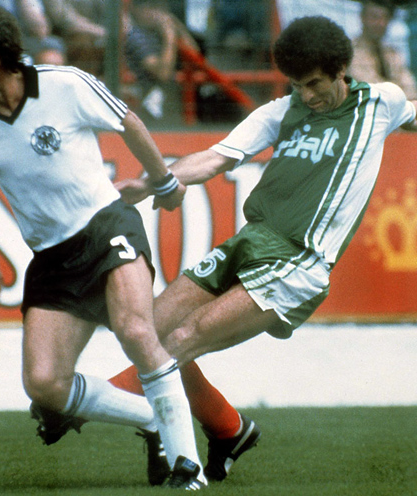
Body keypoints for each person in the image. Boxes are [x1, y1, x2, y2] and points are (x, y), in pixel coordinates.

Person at [41, 14, 417, 483]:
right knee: (149, 330)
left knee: (182, 340)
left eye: (315, 84)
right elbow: (215, 158)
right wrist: (153, 182)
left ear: (342, 70)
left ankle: (82, 406)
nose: (307, 96)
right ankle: (228, 428)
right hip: (250, 240)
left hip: (298, 260)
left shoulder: (381, 102)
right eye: (297, 85)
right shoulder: (282, 111)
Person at [0, 0, 205, 489]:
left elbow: (128, 121)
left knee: (135, 331)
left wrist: (165, 182)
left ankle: (189, 467)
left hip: (106, 226)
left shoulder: (65, 84)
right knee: (44, 384)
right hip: (53, 257)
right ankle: (152, 420)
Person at [349, 0, 417, 100]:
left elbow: (410, 87)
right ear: (363, 17)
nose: (380, 23)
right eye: (374, 17)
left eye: (385, 18)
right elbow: (372, 90)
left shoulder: (392, 53)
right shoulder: (351, 52)